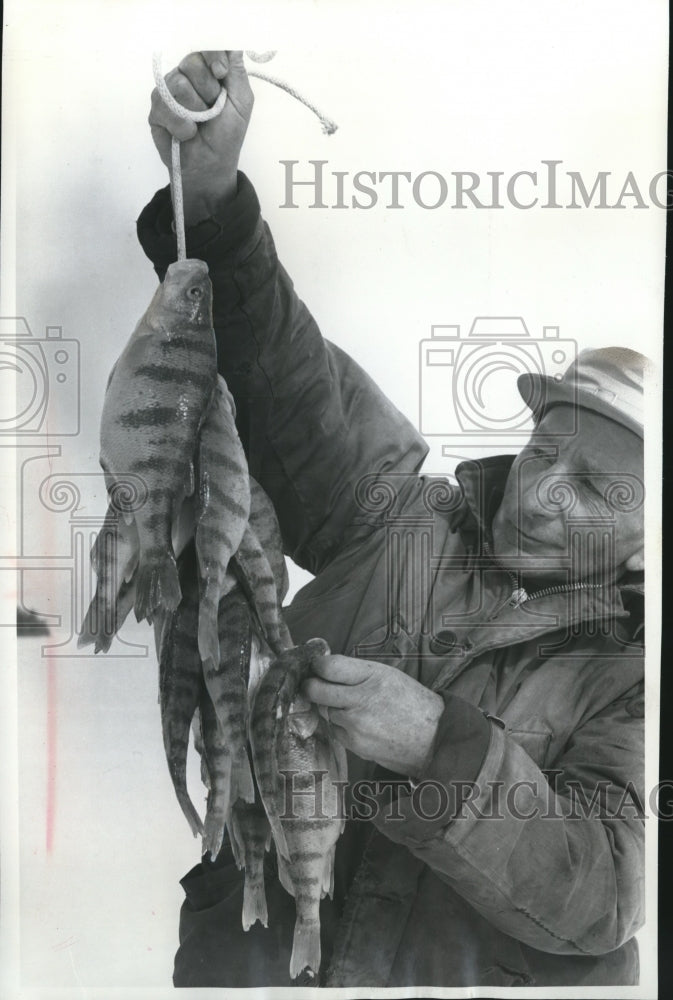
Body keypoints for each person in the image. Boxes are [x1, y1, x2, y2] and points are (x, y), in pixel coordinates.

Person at [138, 51, 647, 988]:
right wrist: (211, 201)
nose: (538, 492)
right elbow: (294, 387)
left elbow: (602, 898)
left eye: (590, 487)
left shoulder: (635, 678)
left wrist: (434, 741)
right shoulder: (401, 514)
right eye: (543, 454)